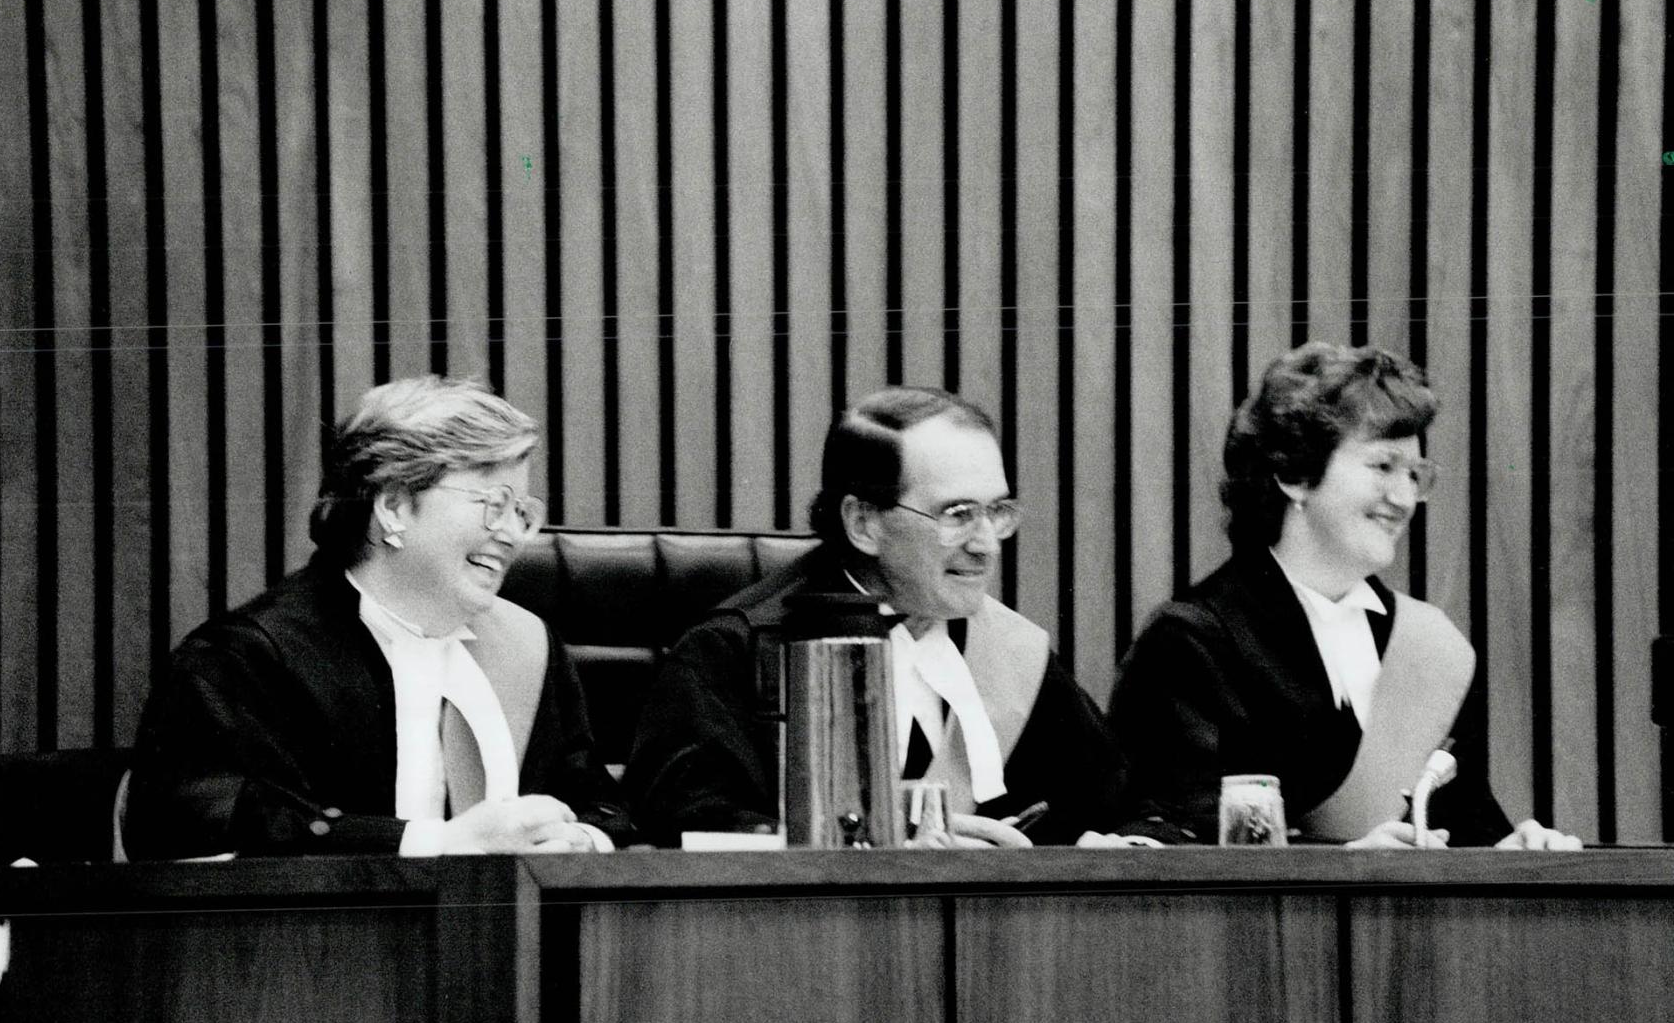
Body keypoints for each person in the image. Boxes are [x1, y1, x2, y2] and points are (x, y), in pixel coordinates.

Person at [126, 376, 631, 857]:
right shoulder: (248, 658)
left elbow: (604, 806)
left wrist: (581, 839)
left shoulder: (531, 646)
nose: (511, 534)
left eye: (521, 511)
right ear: (393, 506)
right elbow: (196, 822)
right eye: (490, 503)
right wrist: (441, 843)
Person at [1110, 343, 1580, 849]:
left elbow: (1458, 822)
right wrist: (1344, 864)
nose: (1402, 499)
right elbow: (1173, 838)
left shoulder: (1430, 645)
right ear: (1294, 474)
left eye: (1414, 476)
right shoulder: (1189, 642)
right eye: (1382, 467)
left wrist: (1507, 851)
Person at [627, 386, 1128, 848]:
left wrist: (1106, 843)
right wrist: (896, 837)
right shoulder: (732, 653)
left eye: (995, 512)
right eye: (957, 514)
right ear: (863, 523)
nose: (985, 545)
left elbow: (1118, 803)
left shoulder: (1013, 650)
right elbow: (688, 829)